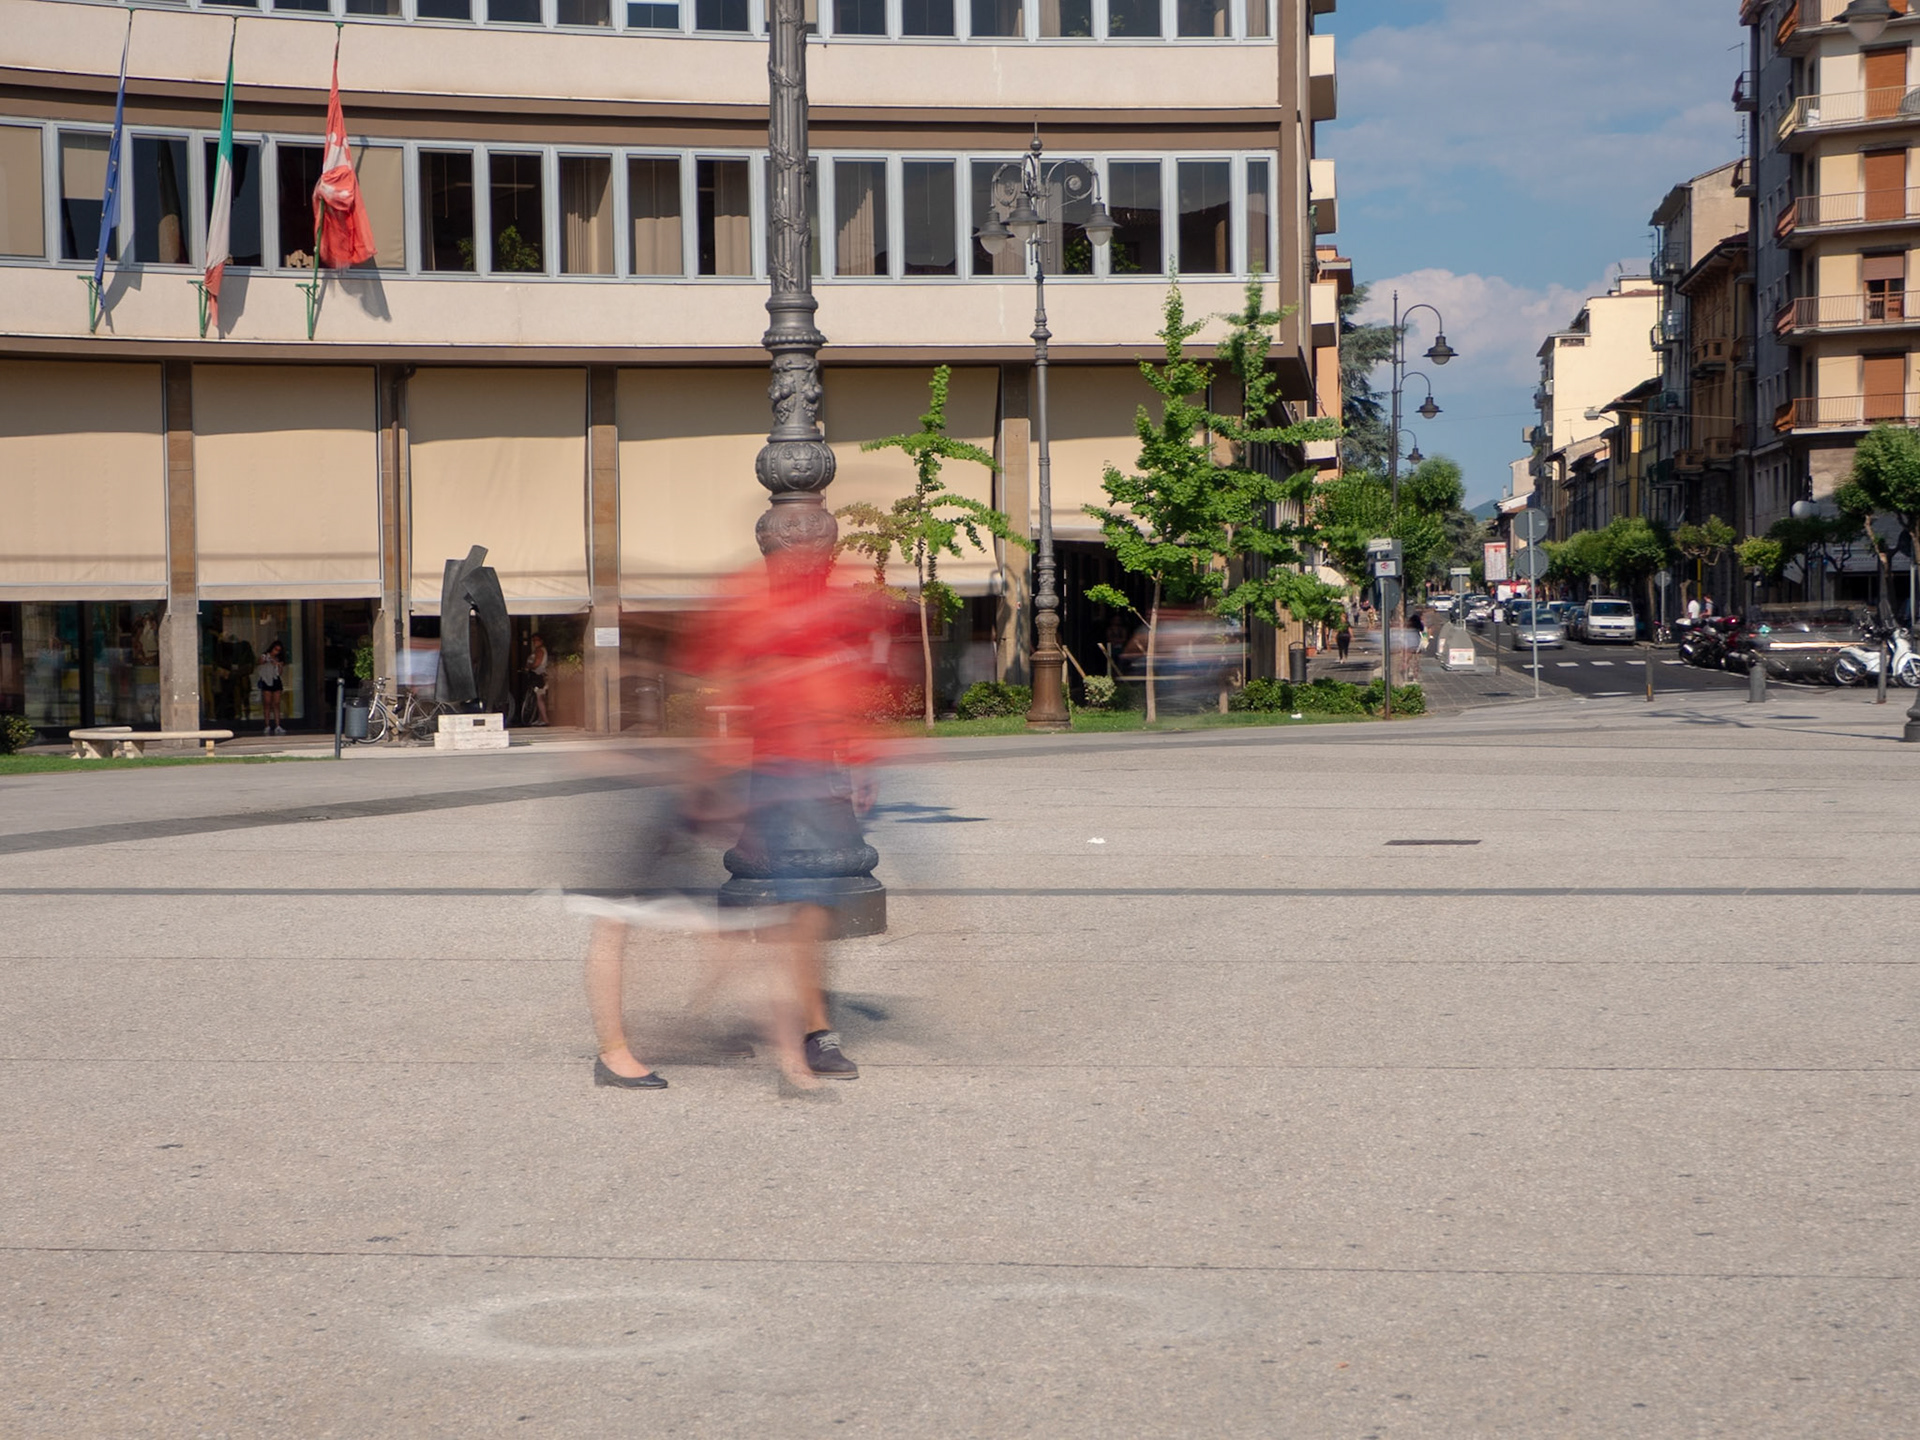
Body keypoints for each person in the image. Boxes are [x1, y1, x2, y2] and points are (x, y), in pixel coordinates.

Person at [255, 642, 287, 735]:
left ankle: (277, 725)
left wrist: (278, 665)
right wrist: (266, 660)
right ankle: (267, 725)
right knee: (267, 703)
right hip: (266, 680)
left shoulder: (279, 659)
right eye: (275, 649)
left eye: (278, 650)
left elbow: (280, 673)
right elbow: (259, 662)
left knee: (276, 704)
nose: (276, 652)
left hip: (276, 680)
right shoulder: (265, 656)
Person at [523, 634, 550, 726]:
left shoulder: (540, 651)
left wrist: (529, 667)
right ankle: (541, 718)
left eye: (536, 640)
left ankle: (545, 719)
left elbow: (537, 663)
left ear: (541, 641)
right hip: (539, 675)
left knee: (540, 698)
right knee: (539, 697)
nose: (535, 642)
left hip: (539, 675)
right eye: (533, 640)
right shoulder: (538, 650)